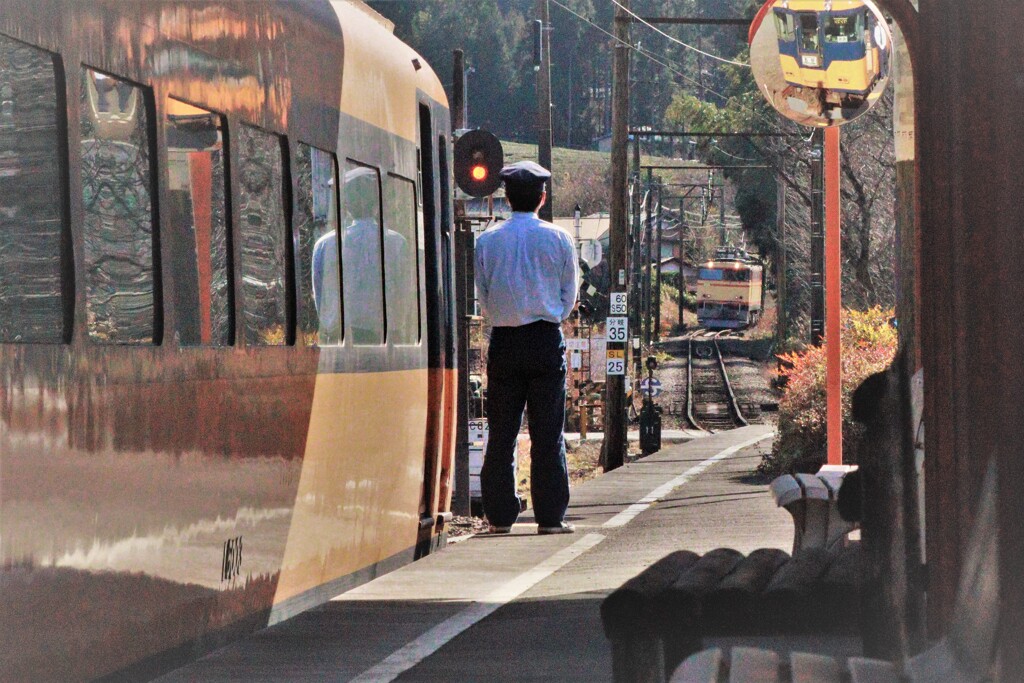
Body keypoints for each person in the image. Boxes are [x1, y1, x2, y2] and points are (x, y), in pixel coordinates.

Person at [474, 161, 579, 534]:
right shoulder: (559, 238)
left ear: (506, 197)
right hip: (545, 338)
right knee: (547, 432)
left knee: (501, 431)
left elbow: (483, 297)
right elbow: (569, 295)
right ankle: (550, 517)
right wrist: (550, 316)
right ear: (542, 197)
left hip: (504, 341)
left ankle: (500, 516)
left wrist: (504, 317)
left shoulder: (486, 241)